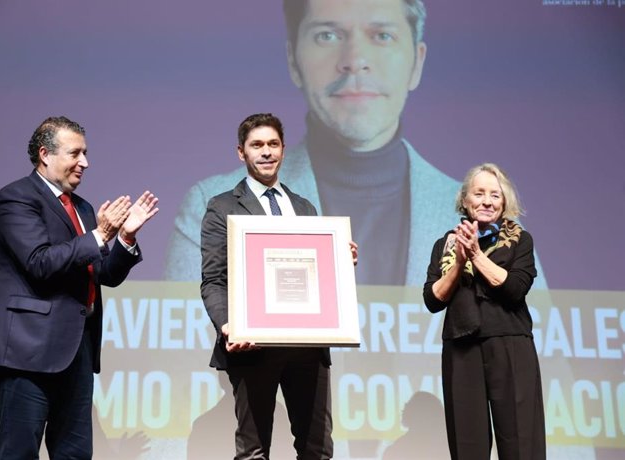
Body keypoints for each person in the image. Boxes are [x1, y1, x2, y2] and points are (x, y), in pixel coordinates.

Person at [163, 0, 546, 288]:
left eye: (382, 35)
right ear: (294, 61)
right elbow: (182, 357)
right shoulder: (211, 203)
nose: (355, 60)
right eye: (327, 35)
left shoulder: (484, 215)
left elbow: (543, 350)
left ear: (417, 62)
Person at [0, 116, 159, 459]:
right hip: (26, 353)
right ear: (45, 154)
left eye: (85, 153)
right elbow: (39, 263)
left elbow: (104, 274)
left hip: (76, 353)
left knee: (74, 454)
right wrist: (101, 235)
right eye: (75, 153)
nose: (84, 162)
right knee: (20, 452)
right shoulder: (16, 198)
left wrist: (126, 238)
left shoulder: (84, 208)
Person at [200, 113, 357, 459]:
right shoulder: (222, 207)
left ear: (284, 150)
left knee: (317, 449)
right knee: (254, 450)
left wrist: (338, 264)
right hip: (251, 345)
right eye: (257, 145)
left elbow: (316, 277)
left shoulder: (304, 207)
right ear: (241, 153)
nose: (266, 152)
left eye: (273, 144)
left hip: (308, 346)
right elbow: (213, 280)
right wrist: (230, 327)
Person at [422, 163, 546, 460]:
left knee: (520, 441)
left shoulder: (520, 240)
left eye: (495, 195)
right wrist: (459, 259)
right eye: (479, 193)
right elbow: (432, 298)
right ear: (465, 201)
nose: (487, 201)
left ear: (504, 203)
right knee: (468, 444)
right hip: (461, 347)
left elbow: (515, 288)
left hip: (510, 344)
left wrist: (475, 255)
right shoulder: (446, 244)